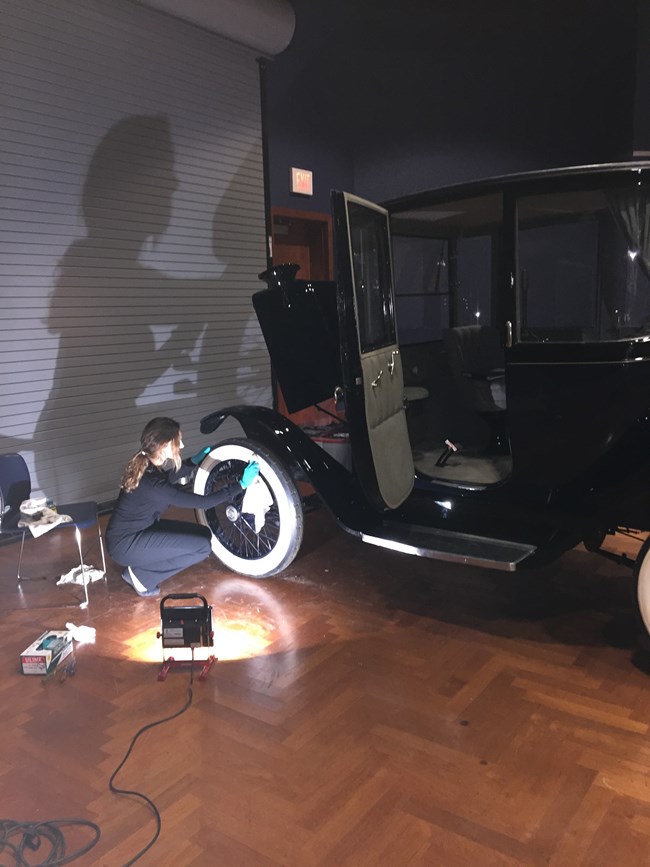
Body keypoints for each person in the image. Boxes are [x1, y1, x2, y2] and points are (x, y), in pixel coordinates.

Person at [106, 417, 259, 597]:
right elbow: (203, 502)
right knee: (202, 547)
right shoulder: (153, 485)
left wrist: (193, 462)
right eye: (178, 441)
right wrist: (240, 485)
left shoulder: (149, 466)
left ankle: (141, 569)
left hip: (138, 531)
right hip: (125, 545)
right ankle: (141, 576)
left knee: (204, 534)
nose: (182, 445)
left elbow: (168, 477)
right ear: (164, 445)